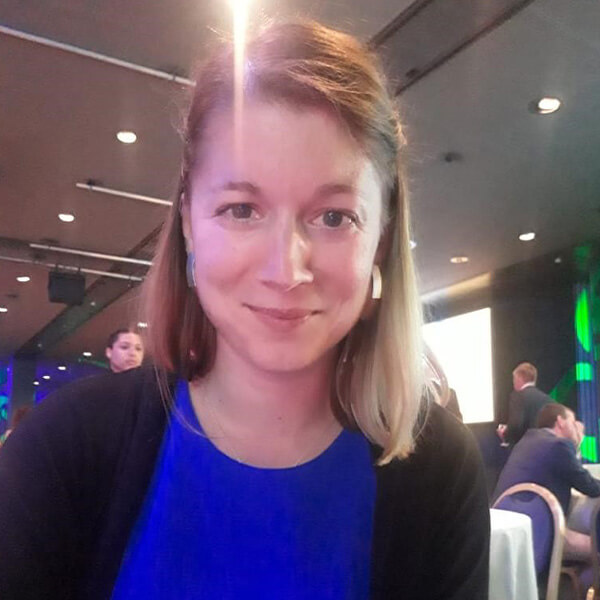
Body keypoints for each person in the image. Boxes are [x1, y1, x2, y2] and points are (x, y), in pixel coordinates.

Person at [0, 21, 489, 599]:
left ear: (380, 240)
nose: (285, 270)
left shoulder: (440, 471)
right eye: (241, 209)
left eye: (334, 217)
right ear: (188, 221)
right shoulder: (64, 448)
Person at [493, 403, 600, 560]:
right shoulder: (558, 445)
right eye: (572, 422)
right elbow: (590, 486)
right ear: (560, 421)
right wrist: (577, 440)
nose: (576, 427)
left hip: (510, 532)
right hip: (539, 532)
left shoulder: (527, 441)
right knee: (596, 547)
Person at [497, 362, 553, 446]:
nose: (513, 382)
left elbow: (516, 425)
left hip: (525, 448)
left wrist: (505, 433)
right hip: (545, 447)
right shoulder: (548, 399)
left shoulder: (517, 396)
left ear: (519, 378)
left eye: (514, 379)